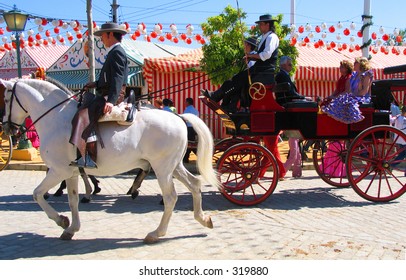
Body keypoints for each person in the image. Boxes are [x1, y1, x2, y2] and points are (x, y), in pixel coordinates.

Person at [69, 22, 128, 168]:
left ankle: (90, 157)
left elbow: (118, 79)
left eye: (102, 35)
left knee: (83, 116)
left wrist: (112, 101)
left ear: (110, 34)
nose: (101, 39)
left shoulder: (117, 52)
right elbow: (109, 77)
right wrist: (95, 84)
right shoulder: (114, 51)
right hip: (107, 92)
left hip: (112, 95)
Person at [202, 14, 279, 113]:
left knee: (237, 80)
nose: (259, 27)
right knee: (236, 80)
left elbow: (266, 55)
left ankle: (218, 97)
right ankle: (226, 103)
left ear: (267, 24)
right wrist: (250, 57)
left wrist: (251, 56)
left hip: (263, 71)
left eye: (261, 24)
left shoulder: (272, 37)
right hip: (260, 69)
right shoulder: (265, 37)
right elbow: (262, 57)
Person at [322, 57, 373, 124]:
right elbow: (349, 90)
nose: (354, 64)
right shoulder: (354, 75)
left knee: (347, 101)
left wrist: (353, 95)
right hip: (353, 95)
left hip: (362, 97)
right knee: (339, 100)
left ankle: (355, 118)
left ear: (361, 64)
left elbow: (364, 91)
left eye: (355, 63)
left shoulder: (366, 75)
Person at [183, 97, 199, 163]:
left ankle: (186, 158)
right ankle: (187, 157)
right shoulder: (196, 110)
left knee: (189, 144)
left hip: (189, 128)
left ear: (188, 102)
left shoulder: (187, 110)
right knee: (192, 143)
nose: (184, 103)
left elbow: (185, 119)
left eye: (185, 102)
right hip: (194, 128)